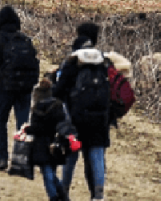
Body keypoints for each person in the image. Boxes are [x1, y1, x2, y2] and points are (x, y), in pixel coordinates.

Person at [53, 24, 110, 201]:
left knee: (70, 155)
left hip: (76, 116)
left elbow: (59, 90)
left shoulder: (72, 62)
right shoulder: (104, 61)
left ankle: (64, 191)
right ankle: (98, 195)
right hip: (100, 117)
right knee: (96, 154)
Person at [0, 4, 38, 171]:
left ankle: (2, 157)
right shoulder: (25, 39)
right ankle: (21, 159)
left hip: (5, 86)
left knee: (1, 120)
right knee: (22, 122)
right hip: (25, 88)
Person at [26, 78, 77, 201]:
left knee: (47, 173)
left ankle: (54, 196)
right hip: (55, 143)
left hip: (40, 145)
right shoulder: (58, 107)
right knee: (51, 173)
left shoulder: (37, 109)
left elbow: (36, 128)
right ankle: (62, 195)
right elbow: (63, 125)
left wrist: (28, 130)